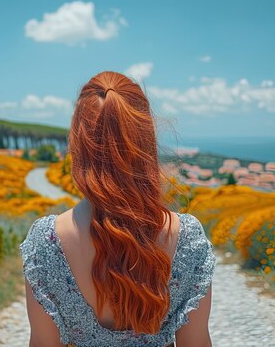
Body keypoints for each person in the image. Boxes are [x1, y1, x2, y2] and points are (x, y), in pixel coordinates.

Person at [19, 71, 217, 347]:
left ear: (78, 142)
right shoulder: (188, 238)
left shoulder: (46, 241)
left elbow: (42, 343)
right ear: (146, 139)